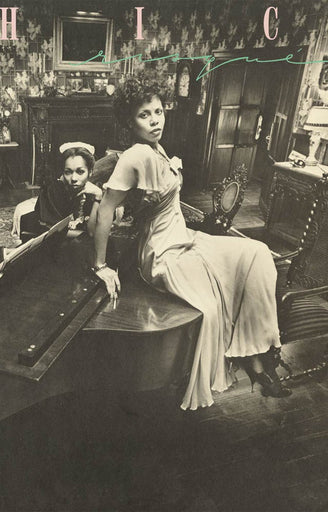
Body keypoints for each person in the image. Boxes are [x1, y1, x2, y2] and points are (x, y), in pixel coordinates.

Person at [92, 76, 291, 410]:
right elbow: (105, 209)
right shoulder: (135, 156)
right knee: (210, 304)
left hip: (185, 237)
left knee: (256, 254)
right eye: (144, 115)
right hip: (162, 253)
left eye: (158, 111)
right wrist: (100, 266)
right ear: (129, 121)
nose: (155, 120)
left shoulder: (156, 148)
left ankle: (256, 355)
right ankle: (247, 364)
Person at [17, 142, 102, 241]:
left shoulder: (93, 191)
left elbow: (92, 231)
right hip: (49, 241)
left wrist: (98, 197)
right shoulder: (51, 191)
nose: (74, 178)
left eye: (80, 172)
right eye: (68, 172)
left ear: (90, 172)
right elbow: (54, 234)